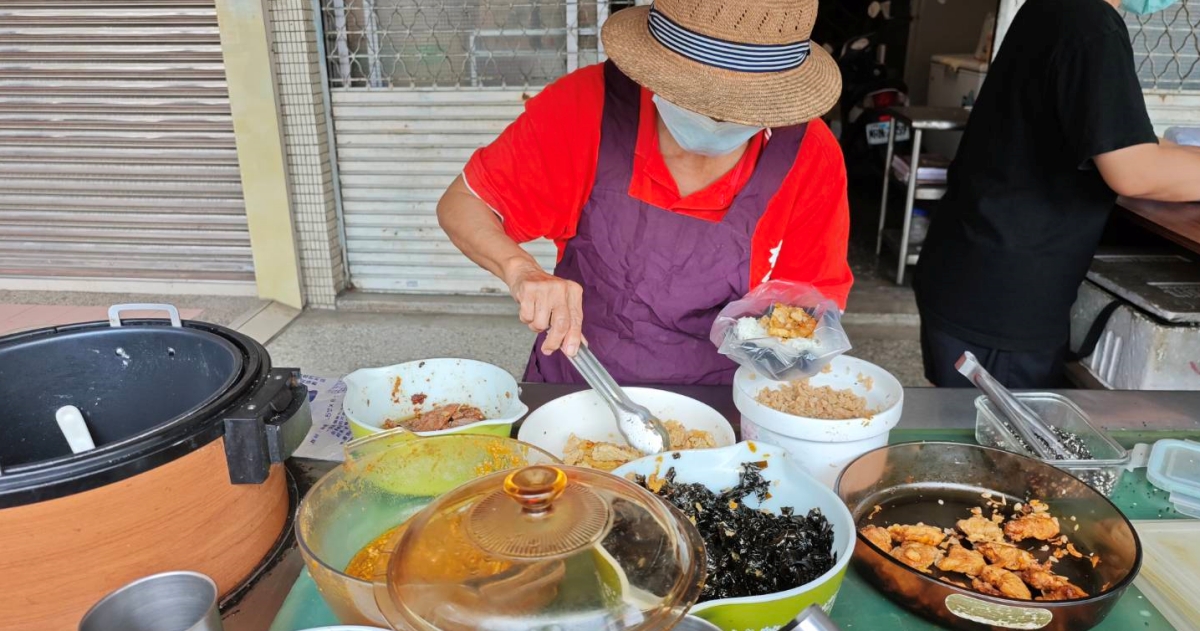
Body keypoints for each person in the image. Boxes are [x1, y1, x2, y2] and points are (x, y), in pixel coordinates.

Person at [437, 0, 852, 385]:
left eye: (743, 107)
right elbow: (465, 203)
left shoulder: (808, 155)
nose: (718, 117)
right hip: (580, 384)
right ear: (655, 67)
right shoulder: (586, 108)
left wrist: (794, 354)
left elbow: (811, 305)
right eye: (699, 97)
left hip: (722, 402)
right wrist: (521, 271)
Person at [914, 0, 1200, 388]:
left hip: (969, 270)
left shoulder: (1055, 8)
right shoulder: (1092, 26)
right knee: (999, 440)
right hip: (1001, 297)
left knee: (973, 428)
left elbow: (1126, 140)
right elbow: (1134, 170)